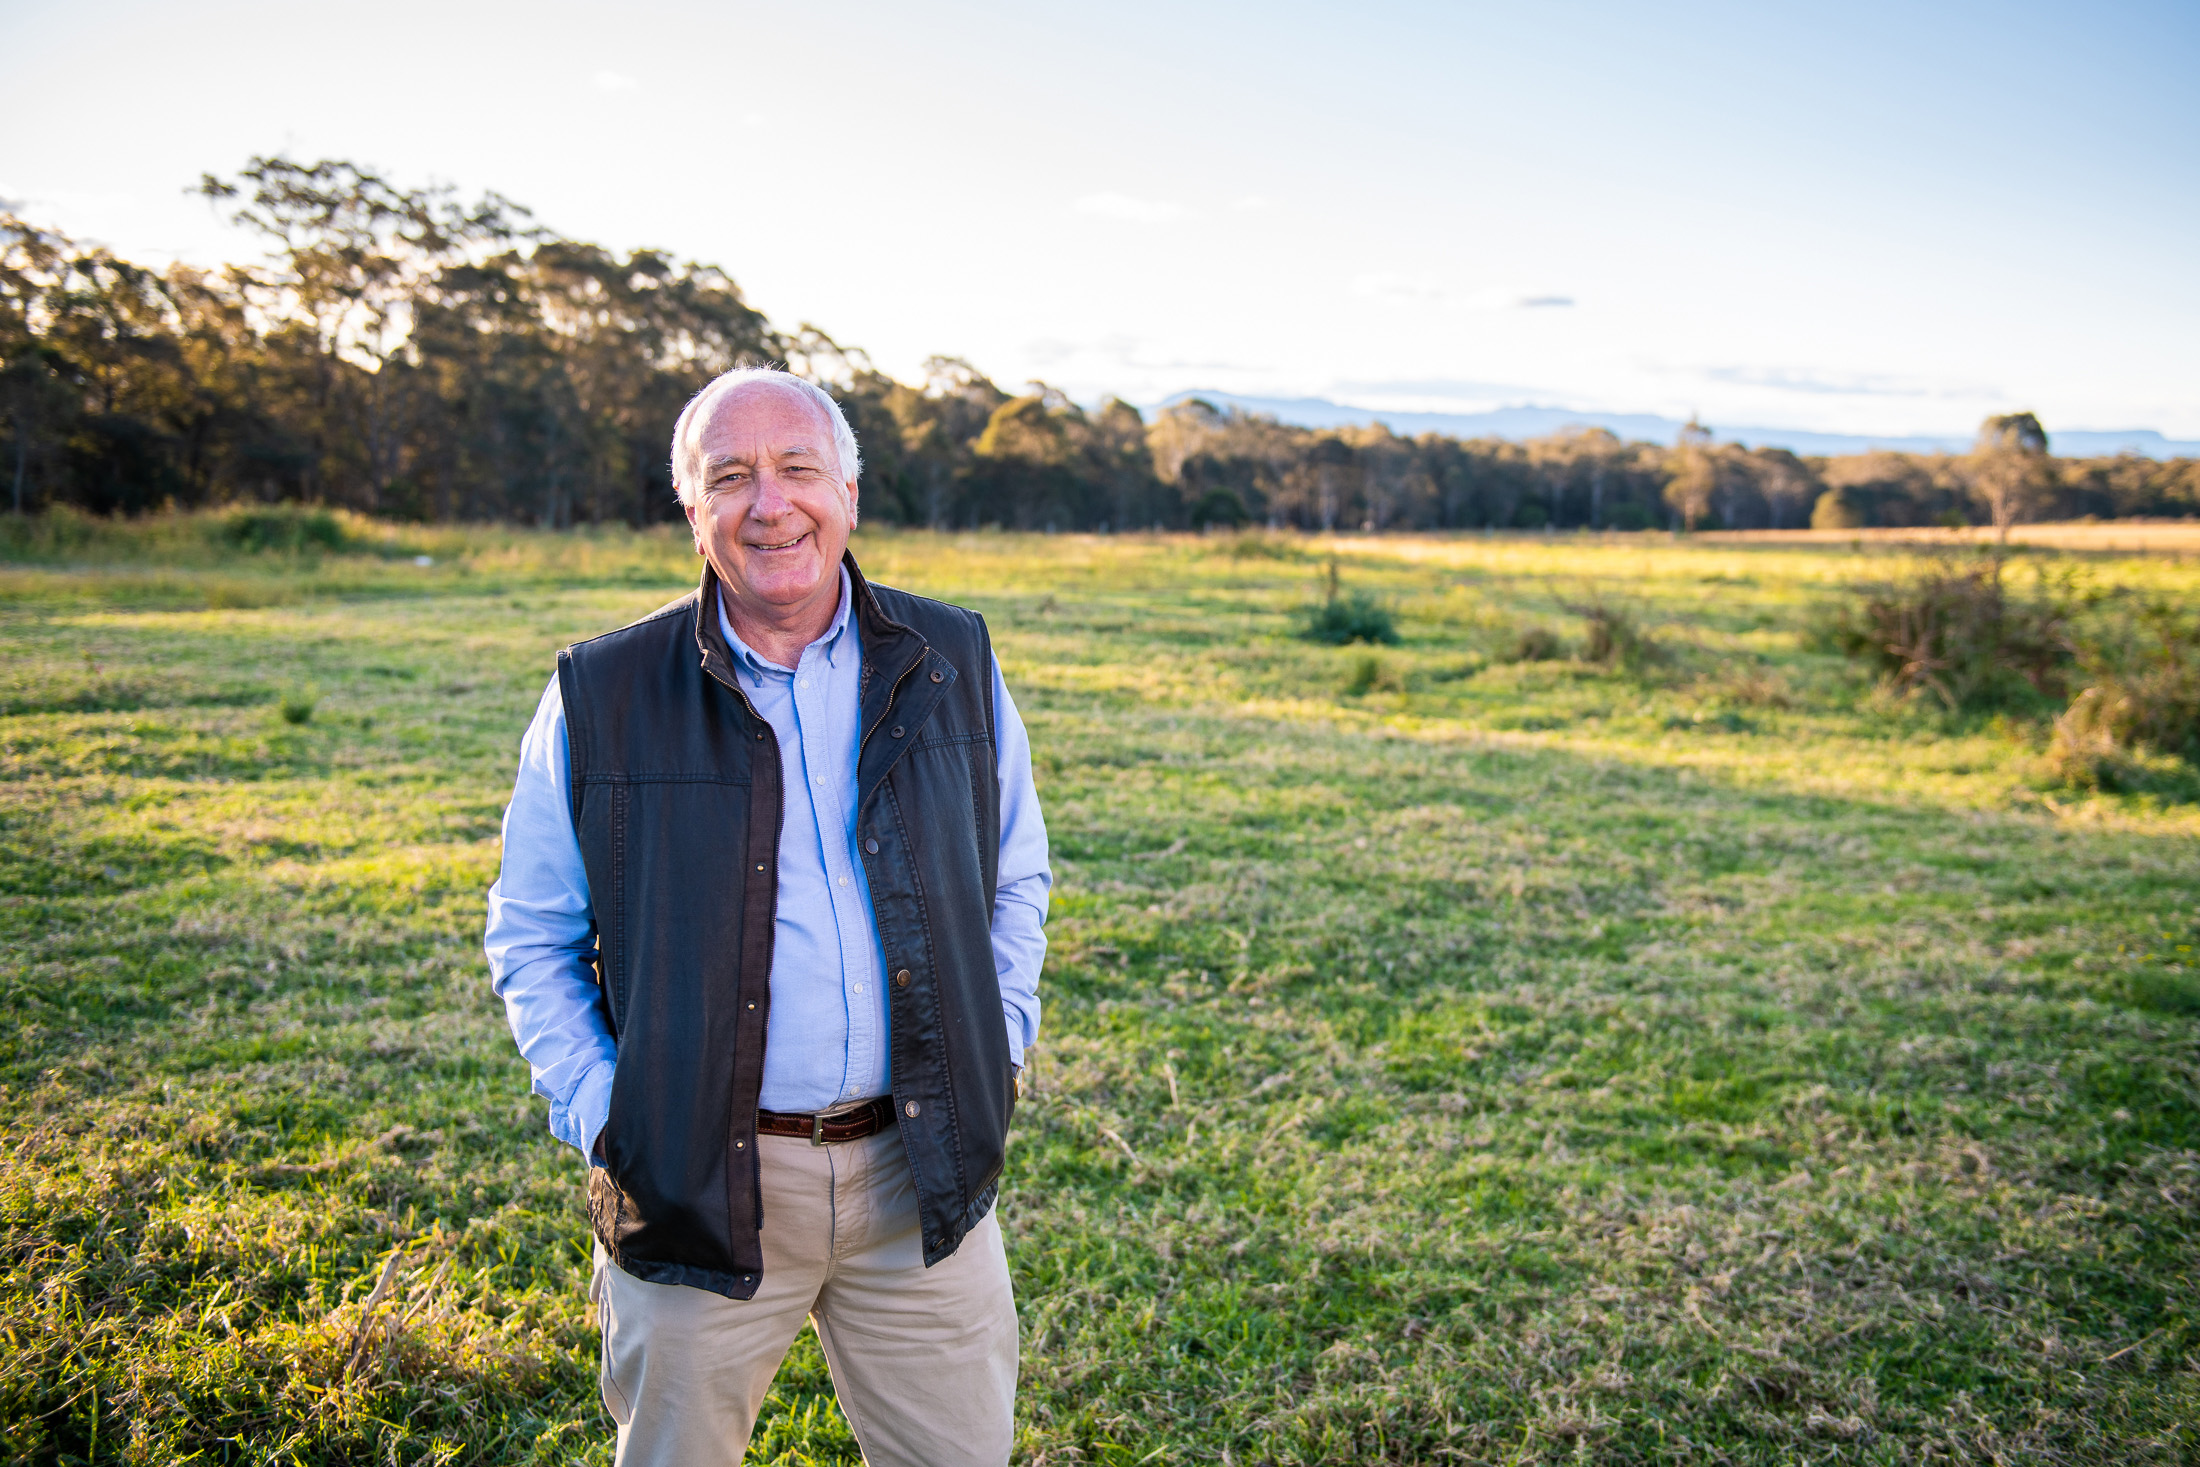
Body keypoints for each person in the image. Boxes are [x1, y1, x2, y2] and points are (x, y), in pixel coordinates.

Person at [483, 366, 1050, 1465]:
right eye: (730, 475)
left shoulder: (952, 663)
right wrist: (610, 1114)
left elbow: (1013, 881)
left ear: (848, 491)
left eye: (797, 469)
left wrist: (1003, 1042)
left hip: (920, 1178)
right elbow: (530, 935)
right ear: (693, 509)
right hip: (695, 1185)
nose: (769, 503)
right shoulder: (600, 693)